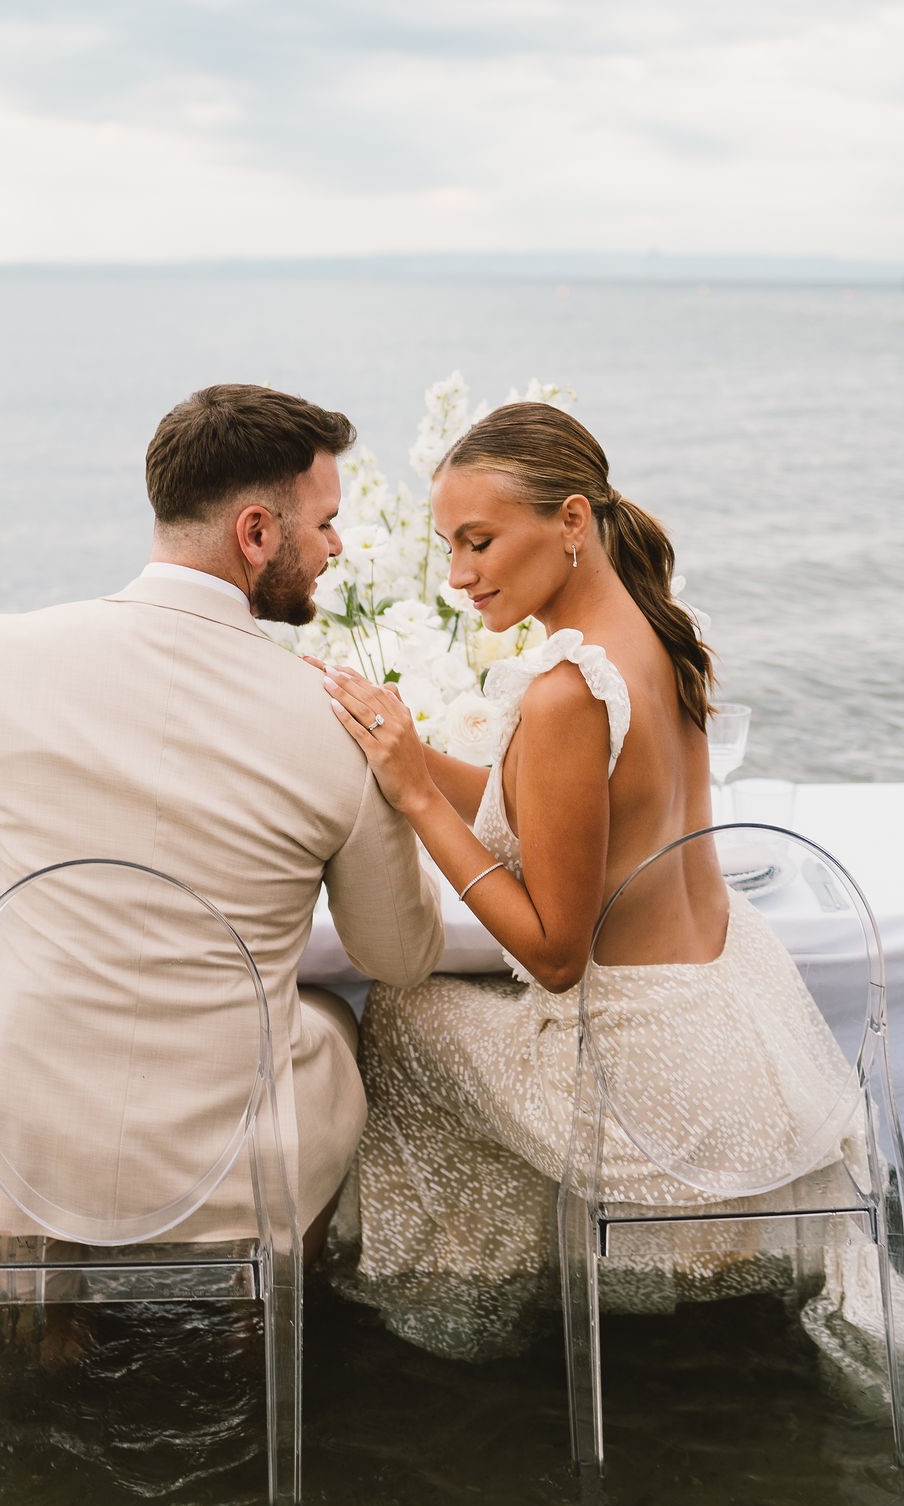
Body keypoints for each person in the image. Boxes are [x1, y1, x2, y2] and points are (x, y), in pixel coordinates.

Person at [319, 401, 865, 1356]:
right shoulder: (655, 634)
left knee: (399, 1018)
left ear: (571, 520)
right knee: (466, 1013)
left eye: (479, 542)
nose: (457, 576)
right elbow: (538, 801)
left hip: (651, 1094)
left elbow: (554, 952)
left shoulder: (568, 690)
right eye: (449, 546)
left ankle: (458, 1313)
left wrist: (412, 798)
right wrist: (407, 749)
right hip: (736, 1034)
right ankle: (550, 1282)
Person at [0, 383, 443, 1261]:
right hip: (239, 1163)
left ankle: (44, 1305)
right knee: (333, 1011)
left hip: (20, 1133)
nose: (337, 545)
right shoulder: (337, 718)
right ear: (255, 534)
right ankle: (268, 1325)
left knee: (35, 1048)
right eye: (325, 522)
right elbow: (396, 957)